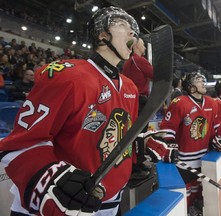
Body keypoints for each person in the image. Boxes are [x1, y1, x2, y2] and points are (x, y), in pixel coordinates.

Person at [0, 6, 176, 216]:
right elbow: (21, 143)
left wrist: (140, 145)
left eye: (134, 30)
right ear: (102, 35)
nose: (133, 33)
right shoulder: (67, 76)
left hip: (110, 201)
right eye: (122, 25)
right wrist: (50, 179)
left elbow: (116, 135)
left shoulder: (129, 86)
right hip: (61, 204)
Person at [159, 72, 221, 216]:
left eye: (203, 80)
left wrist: (218, 139)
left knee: (199, 193)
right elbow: (168, 128)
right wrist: (170, 144)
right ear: (190, 87)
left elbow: (215, 128)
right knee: (187, 194)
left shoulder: (212, 103)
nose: (203, 82)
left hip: (203, 160)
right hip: (183, 162)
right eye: (198, 80)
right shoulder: (180, 102)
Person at [122, 37, 154, 178]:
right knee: (140, 134)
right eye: (143, 45)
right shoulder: (139, 60)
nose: (145, 48)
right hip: (140, 101)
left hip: (130, 100)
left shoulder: (127, 62)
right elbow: (155, 74)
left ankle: (136, 162)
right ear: (136, 47)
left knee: (134, 134)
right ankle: (136, 165)